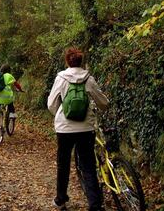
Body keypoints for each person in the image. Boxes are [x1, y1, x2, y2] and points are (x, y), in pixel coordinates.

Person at [47, 48, 109, 211]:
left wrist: (60, 115)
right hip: (86, 128)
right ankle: (95, 205)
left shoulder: (60, 78)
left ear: (67, 61)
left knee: (63, 164)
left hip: (64, 129)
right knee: (88, 165)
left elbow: (51, 104)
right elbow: (103, 102)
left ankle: (61, 199)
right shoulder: (89, 78)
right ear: (81, 61)